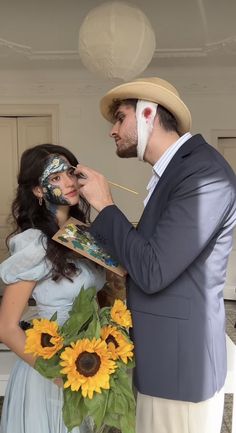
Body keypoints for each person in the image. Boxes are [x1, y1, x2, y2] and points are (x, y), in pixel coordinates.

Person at [75, 77, 236, 433]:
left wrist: (105, 205)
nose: (112, 131)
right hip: (161, 359)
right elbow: (145, 256)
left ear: (148, 112)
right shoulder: (177, 173)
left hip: (179, 369)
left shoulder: (204, 173)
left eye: (120, 118)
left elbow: (152, 269)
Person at [0, 144, 105, 433]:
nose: (69, 182)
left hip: (86, 364)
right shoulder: (34, 244)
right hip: (49, 371)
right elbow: (6, 328)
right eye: (55, 177)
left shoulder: (81, 234)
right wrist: (59, 376)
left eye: (70, 172)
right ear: (37, 190)